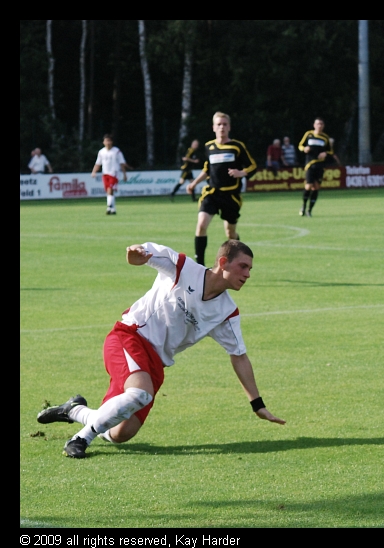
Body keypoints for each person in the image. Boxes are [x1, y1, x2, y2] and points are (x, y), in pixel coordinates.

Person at [36, 239, 286, 459]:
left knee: (121, 433)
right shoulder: (184, 268)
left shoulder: (227, 312)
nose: (248, 274)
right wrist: (135, 254)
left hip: (156, 363)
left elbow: (239, 357)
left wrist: (257, 405)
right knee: (140, 393)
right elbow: (142, 255)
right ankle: (80, 439)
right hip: (130, 336)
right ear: (223, 262)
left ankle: (74, 410)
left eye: (250, 269)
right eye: (243, 266)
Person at [186, 112, 257, 266]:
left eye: (225, 124)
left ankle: (238, 260)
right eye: (219, 124)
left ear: (229, 127)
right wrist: (194, 183)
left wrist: (241, 173)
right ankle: (200, 267)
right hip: (212, 193)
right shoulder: (209, 146)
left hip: (231, 196)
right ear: (213, 127)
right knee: (201, 225)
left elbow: (253, 166)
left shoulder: (237, 146)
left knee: (230, 233)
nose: (222, 127)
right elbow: (207, 169)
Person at [297, 117, 336, 217]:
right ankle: (303, 206)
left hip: (320, 165)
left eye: (321, 124)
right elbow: (300, 145)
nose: (319, 126)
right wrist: (304, 149)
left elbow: (331, 151)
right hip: (310, 164)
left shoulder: (325, 138)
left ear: (323, 126)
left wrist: (325, 153)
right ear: (314, 125)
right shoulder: (308, 134)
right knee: (308, 186)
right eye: (318, 124)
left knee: (316, 187)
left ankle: (309, 210)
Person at [90, 134, 129, 215]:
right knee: (109, 191)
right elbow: (98, 163)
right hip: (105, 173)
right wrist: (94, 171)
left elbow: (122, 163)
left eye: (109, 141)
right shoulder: (101, 152)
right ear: (103, 142)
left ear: (112, 142)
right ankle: (113, 209)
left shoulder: (116, 151)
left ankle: (109, 207)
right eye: (106, 141)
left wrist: (124, 174)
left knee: (110, 189)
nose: (108, 143)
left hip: (114, 173)